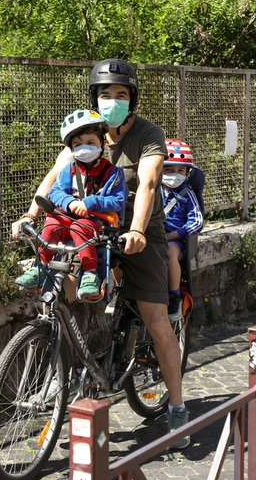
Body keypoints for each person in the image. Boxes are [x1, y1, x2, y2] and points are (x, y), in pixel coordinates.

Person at [12, 59, 190, 449]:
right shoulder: (86, 132)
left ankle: (177, 408)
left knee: (156, 319)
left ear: (132, 98)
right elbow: (54, 176)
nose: (112, 101)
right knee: (60, 291)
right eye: (105, 94)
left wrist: (138, 229)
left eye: (120, 94)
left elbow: (148, 184)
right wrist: (30, 215)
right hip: (89, 230)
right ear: (94, 98)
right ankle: (62, 377)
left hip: (139, 233)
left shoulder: (147, 134)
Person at [15, 109, 126, 301]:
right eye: (78, 145)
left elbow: (118, 201)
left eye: (91, 143)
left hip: (95, 223)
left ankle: (90, 273)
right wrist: (70, 202)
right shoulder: (69, 170)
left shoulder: (113, 173)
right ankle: (40, 266)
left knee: (81, 226)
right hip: (67, 219)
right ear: (71, 148)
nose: (85, 148)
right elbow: (55, 192)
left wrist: (91, 203)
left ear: (102, 143)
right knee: (51, 224)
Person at [161, 140, 204, 322]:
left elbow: (197, 221)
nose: (174, 174)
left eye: (180, 170)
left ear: (187, 173)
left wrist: (175, 235)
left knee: (170, 251)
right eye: (168, 169)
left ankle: (174, 295)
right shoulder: (152, 191)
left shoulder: (188, 193)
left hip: (177, 242)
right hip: (153, 237)